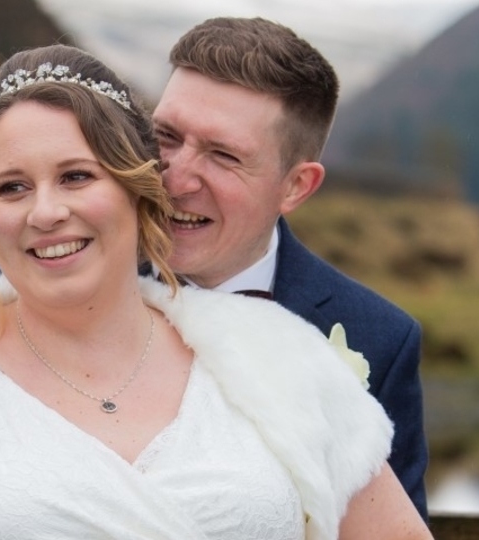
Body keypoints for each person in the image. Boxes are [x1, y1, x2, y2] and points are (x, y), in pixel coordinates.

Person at [0, 44, 431, 539]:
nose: (45, 212)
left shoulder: (279, 357)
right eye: (13, 187)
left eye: (77, 176)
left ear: (138, 189)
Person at [150, 17, 429, 519]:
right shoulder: (61, 280)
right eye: (166, 136)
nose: (176, 178)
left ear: (297, 186)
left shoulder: (380, 340)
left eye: (222, 155)